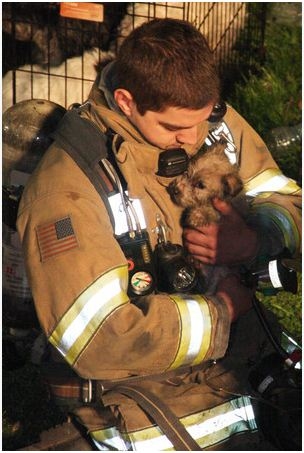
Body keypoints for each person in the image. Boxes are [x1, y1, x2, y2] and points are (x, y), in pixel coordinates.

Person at [17, 18, 301, 450]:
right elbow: (99, 338)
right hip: (142, 392)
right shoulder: (66, 188)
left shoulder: (204, 118)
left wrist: (253, 237)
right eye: (174, 129)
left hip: (247, 349)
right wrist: (221, 310)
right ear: (127, 101)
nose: (194, 140)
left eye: (204, 120)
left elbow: (286, 200)